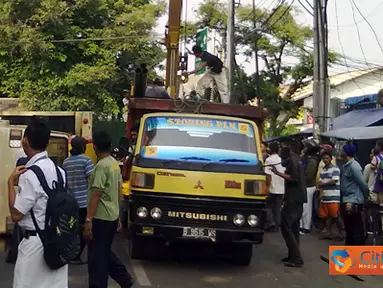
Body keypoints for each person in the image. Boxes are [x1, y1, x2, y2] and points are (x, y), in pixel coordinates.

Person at [8, 117, 68, 288]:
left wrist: (10, 183)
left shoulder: (29, 175)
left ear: (25, 140)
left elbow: (16, 214)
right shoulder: (60, 172)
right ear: (47, 142)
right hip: (56, 242)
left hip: (35, 246)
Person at [84, 131, 134, 288]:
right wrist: (118, 215)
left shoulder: (101, 166)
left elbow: (96, 194)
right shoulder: (114, 164)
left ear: (95, 147)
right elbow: (117, 191)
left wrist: (88, 220)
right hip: (111, 217)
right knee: (104, 251)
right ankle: (124, 278)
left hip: (100, 218)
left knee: (97, 258)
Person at [271, 141, 306, 268]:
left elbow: (294, 178)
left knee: (286, 226)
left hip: (293, 198)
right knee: (294, 227)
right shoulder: (297, 160)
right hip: (298, 197)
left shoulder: (293, 161)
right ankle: (293, 255)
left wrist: (277, 173)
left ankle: (296, 257)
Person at [63, 136, 94, 265]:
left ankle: (69, 253)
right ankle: (77, 256)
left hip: (70, 202)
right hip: (84, 202)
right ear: (82, 147)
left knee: (72, 229)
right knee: (84, 230)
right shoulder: (86, 161)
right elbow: (92, 180)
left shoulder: (66, 162)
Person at [340, 143, 368, 246]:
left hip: (354, 200)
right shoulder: (345, 166)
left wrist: (365, 197)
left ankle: (357, 253)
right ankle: (350, 253)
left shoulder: (354, 166)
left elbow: (362, 184)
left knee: (356, 229)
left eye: (342, 150)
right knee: (349, 229)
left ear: (346, 152)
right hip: (347, 199)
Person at [6, 157, 29, 264]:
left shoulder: (21, 162)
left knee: (18, 227)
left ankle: (13, 254)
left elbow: (15, 182)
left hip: (21, 195)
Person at [317, 150, 343, 240]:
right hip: (325, 195)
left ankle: (341, 232)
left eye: (327, 158)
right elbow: (320, 181)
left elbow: (334, 181)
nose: (325, 160)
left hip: (333, 196)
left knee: (335, 215)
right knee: (327, 216)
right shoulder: (322, 169)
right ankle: (328, 232)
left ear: (331, 159)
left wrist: (322, 184)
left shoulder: (335, 169)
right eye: (324, 158)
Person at [264, 142, 285, 232]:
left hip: (272, 187)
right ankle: (277, 225)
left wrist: (267, 187)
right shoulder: (282, 159)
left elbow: (268, 175)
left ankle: (271, 222)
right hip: (281, 187)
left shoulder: (269, 160)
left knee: (267, 206)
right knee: (277, 208)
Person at [300, 145, 320, 235]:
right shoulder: (312, 160)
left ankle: (305, 227)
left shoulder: (310, 161)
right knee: (305, 207)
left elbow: (309, 175)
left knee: (306, 207)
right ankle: (303, 226)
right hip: (307, 186)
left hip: (308, 186)